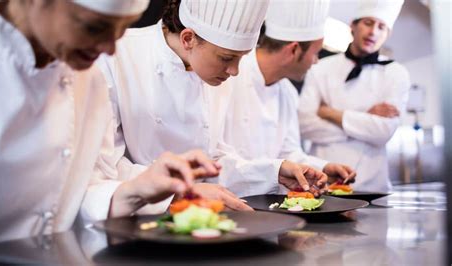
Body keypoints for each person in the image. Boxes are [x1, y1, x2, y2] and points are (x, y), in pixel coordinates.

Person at [0, 0, 218, 245]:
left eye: (121, 30)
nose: (110, 49)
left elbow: (76, 192)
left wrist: (137, 190)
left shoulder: (88, 79)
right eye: (94, 27)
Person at [98, 0, 328, 209]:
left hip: (195, 220)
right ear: (188, 39)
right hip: (131, 220)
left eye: (241, 58)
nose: (235, 71)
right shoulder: (116, 57)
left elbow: (211, 164)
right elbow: (107, 169)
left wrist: (273, 171)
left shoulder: (212, 74)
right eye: (227, 58)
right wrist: (180, 192)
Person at [209, 0, 356, 197]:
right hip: (221, 203)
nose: (316, 61)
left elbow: (289, 153)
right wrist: (274, 170)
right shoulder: (225, 75)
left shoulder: (288, 92)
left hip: (270, 207)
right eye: (315, 53)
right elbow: (213, 156)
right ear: (293, 50)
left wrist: (324, 167)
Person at [298, 0, 410, 191]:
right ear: (353, 25)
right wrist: (365, 118)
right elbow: (305, 124)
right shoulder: (320, 68)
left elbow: (383, 132)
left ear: (387, 34)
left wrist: (330, 113)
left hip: (374, 186)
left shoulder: (396, 73)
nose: (373, 32)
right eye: (368, 23)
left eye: (381, 27)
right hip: (324, 182)